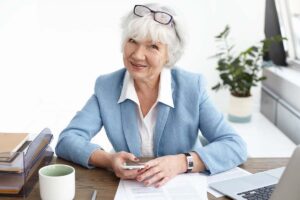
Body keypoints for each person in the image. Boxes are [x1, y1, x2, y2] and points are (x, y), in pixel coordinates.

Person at [55, 3, 247, 187]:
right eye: (132, 41)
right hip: (128, 189)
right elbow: (67, 140)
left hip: (182, 188)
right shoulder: (106, 86)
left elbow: (235, 145)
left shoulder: (192, 87)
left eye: (153, 46)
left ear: (169, 54)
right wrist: (108, 160)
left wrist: (181, 163)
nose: (138, 55)